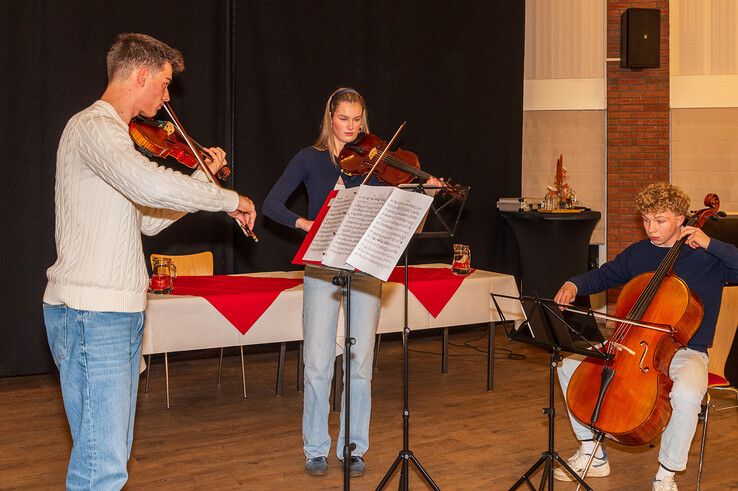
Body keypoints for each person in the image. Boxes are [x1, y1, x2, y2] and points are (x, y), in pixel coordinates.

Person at [43, 33, 256, 489]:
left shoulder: (114, 140)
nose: (167, 95)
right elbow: (147, 184)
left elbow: (149, 221)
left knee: (107, 455)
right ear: (140, 75)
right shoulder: (94, 128)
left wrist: (201, 180)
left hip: (109, 313)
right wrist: (226, 197)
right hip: (93, 314)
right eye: (163, 83)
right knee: (101, 465)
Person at [263, 87, 440, 478]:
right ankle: (315, 446)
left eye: (357, 119)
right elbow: (272, 204)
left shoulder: (376, 164)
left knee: (361, 364)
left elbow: (401, 217)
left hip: (365, 267)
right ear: (330, 119)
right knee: (318, 362)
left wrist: (425, 191)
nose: (351, 127)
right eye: (343, 119)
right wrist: (306, 224)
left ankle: (354, 446)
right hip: (322, 266)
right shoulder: (309, 159)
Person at [552, 182, 738, 491]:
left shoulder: (708, 256)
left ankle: (667, 473)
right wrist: (575, 284)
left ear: (681, 218)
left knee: (688, 394)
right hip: (633, 344)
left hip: (687, 350)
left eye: (660, 220)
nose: (651, 228)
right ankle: (592, 452)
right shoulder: (641, 252)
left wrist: (711, 244)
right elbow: (605, 275)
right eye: (647, 220)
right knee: (568, 367)